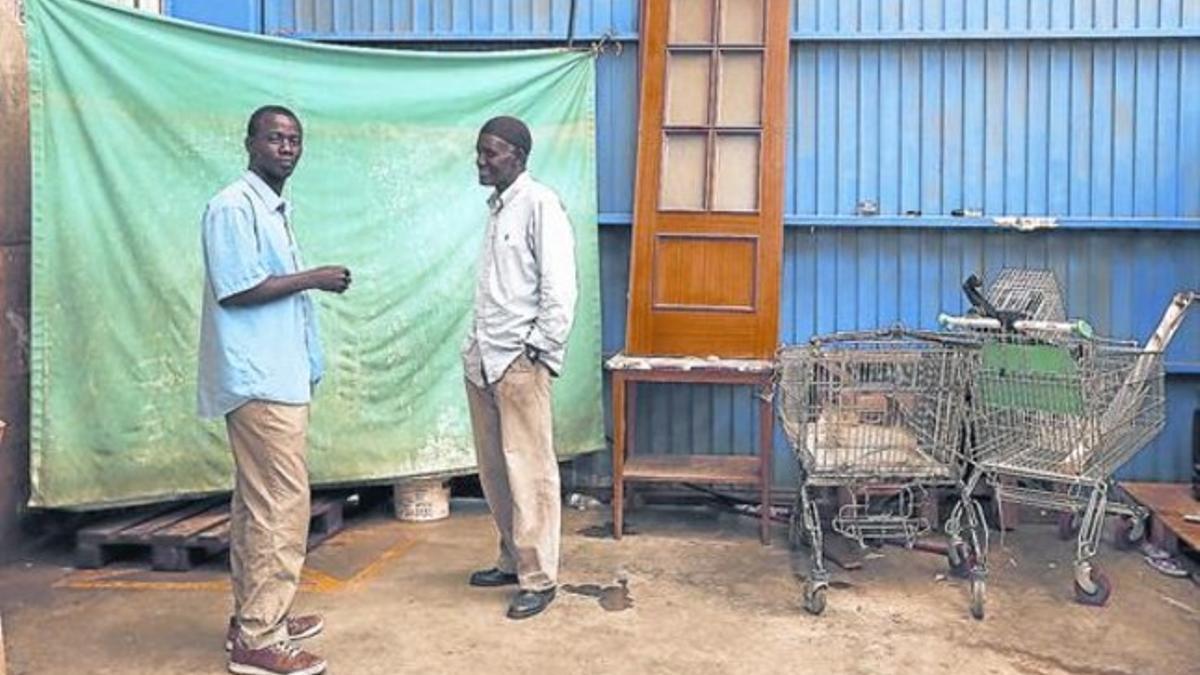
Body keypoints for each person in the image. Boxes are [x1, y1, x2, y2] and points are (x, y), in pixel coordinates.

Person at [198, 104, 351, 675]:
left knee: (256, 504)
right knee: (281, 507)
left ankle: (254, 618)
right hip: (260, 382)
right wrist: (315, 278)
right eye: (275, 138)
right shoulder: (233, 207)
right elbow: (237, 290)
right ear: (250, 143)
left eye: (294, 139)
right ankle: (261, 640)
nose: (286, 148)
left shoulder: (270, 208)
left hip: (278, 375)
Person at [462, 115, 578, 620]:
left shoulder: (540, 204)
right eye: (480, 152)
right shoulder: (498, 209)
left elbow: (560, 287)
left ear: (518, 156)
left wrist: (539, 348)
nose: (482, 161)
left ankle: (539, 577)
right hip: (484, 359)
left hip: (518, 360)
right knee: (495, 471)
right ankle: (511, 559)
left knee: (530, 471)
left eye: (491, 152)